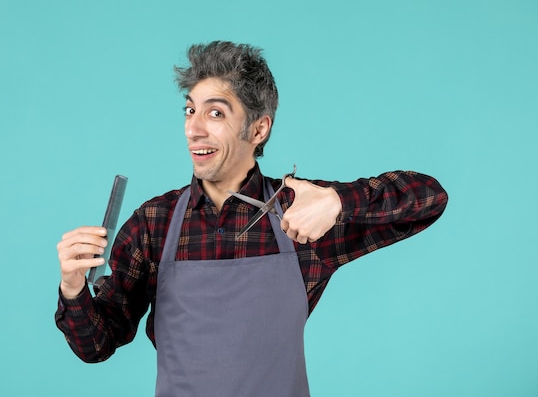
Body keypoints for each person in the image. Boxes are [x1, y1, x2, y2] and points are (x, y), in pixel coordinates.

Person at [55, 41, 448, 397]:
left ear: (258, 129)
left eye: (215, 113)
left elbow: (429, 197)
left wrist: (337, 201)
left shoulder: (302, 212)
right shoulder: (153, 223)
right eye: (190, 110)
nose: (193, 128)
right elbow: (97, 345)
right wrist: (73, 289)